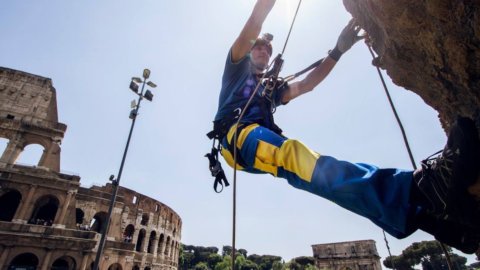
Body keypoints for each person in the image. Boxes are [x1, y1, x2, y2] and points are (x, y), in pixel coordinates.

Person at [210, 0, 480, 253]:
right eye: (258, 47)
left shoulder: (271, 88)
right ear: (248, 51)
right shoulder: (235, 68)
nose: (263, 50)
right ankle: (422, 190)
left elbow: (307, 84)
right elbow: (255, 22)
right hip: (236, 137)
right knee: (292, 155)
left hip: (256, 139)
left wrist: (338, 50)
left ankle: (430, 216)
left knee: (314, 169)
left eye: (267, 49)